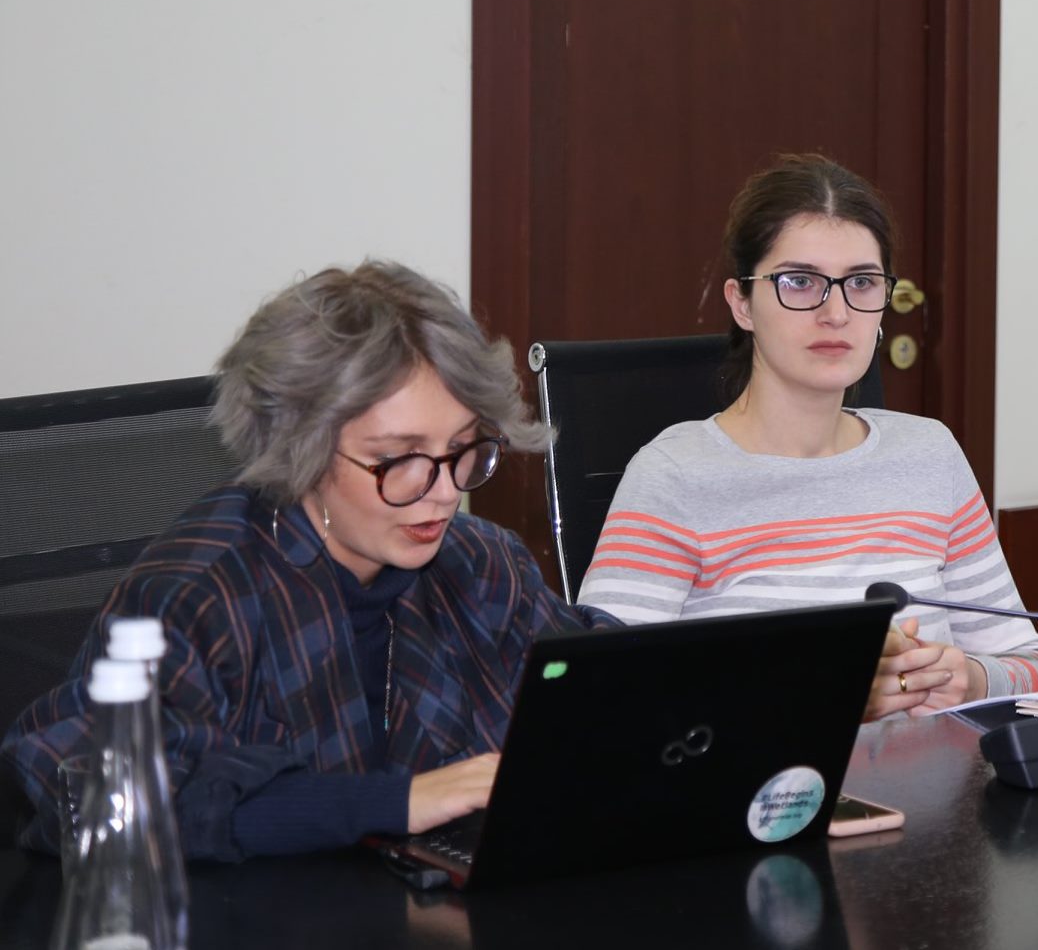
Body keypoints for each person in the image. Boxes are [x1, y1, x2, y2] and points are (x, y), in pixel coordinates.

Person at [2, 262, 615, 861]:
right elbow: (84, 790)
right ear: (303, 448)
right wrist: (393, 802)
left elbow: (593, 681)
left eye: (462, 448)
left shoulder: (479, 564)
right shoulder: (200, 590)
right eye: (399, 458)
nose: (445, 490)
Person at [578, 154, 1038, 717]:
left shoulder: (930, 453)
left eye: (862, 282)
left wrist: (969, 679)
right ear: (741, 303)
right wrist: (832, 696)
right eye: (800, 282)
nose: (836, 312)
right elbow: (600, 699)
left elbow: (1031, 663)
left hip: (943, 772)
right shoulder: (675, 476)